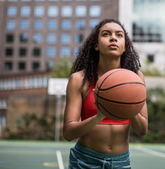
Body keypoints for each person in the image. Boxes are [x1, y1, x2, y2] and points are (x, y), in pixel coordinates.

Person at [63, 18, 148, 169]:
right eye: (106, 34)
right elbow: (68, 133)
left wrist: (130, 106)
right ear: (96, 45)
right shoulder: (79, 80)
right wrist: (98, 116)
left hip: (120, 162)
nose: (113, 37)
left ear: (124, 47)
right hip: (85, 161)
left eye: (119, 35)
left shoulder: (136, 79)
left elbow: (142, 130)